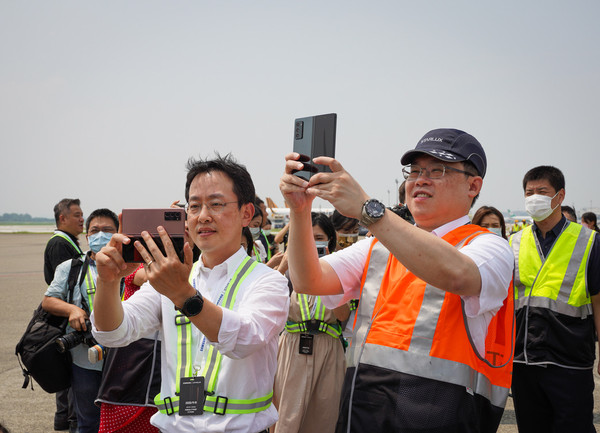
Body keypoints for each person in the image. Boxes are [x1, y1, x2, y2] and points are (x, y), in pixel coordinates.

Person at [280, 128, 515, 432]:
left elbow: (458, 275)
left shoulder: (489, 247)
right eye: (414, 170)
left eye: (437, 170)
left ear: (473, 185)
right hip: (365, 410)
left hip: (443, 415)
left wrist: (368, 209)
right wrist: (299, 211)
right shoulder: (379, 244)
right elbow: (307, 280)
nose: (420, 179)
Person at [91, 154, 290, 433]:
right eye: (194, 206)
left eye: (216, 204)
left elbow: (244, 339)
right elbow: (113, 332)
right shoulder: (173, 280)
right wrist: (108, 281)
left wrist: (183, 294)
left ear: (246, 213)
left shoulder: (268, 282)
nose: (203, 216)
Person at [509, 165, 600, 433]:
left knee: (574, 427)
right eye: (529, 192)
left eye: (541, 191)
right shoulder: (514, 241)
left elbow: (597, 300)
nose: (534, 197)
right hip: (524, 359)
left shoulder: (589, 242)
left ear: (559, 196)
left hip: (569, 360)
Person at [42, 208, 119, 433]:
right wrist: (72, 310)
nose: (100, 235)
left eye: (107, 230)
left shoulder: (131, 267)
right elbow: (49, 301)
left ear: (118, 233)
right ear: (87, 237)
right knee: (88, 421)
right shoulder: (71, 267)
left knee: (121, 419)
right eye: (95, 230)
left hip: (123, 358)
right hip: (84, 360)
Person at [272, 213, 349, 433]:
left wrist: (328, 277)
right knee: (286, 417)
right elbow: (268, 305)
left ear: (330, 241)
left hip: (328, 349)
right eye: (308, 237)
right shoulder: (287, 270)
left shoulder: (341, 268)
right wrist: (283, 267)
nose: (314, 243)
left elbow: (343, 316)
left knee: (324, 417)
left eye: (319, 237)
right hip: (291, 347)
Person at [96, 263, 161, 433]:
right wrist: (107, 280)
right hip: (131, 352)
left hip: (157, 356)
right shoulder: (133, 267)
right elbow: (147, 277)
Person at [43, 198, 85, 433]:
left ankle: (66, 420)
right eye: (77, 214)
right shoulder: (60, 244)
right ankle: (69, 421)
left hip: (69, 317)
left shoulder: (66, 241)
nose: (82, 219)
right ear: (63, 218)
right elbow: (69, 287)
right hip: (67, 318)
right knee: (70, 373)